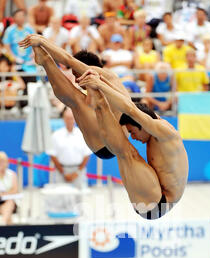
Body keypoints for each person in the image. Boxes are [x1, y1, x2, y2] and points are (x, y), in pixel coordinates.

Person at [75, 69, 188, 219]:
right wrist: (101, 82)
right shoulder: (152, 121)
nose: (133, 137)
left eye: (132, 131)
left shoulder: (164, 132)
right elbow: (128, 102)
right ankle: (100, 100)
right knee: (124, 149)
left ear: (143, 125)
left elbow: (130, 109)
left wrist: (100, 86)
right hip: (152, 194)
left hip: (158, 205)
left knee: (127, 152)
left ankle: (100, 102)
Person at [19, 33, 130, 161]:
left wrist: (42, 41)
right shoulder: (99, 84)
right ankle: (45, 60)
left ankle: (46, 60)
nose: (76, 81)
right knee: (77, 100)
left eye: (76, 75)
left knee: (76, 100)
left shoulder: (107, 76)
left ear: (85, 68)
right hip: (103, 142)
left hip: (113, 139)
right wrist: (41, 40)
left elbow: (68, 60)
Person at [50, 107, 92, 189]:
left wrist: (77, 172)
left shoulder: (82, 134)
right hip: (61, 171)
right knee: (62, 198)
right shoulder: (56, 135)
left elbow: (87, 155)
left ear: (75, 119)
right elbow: (53, 155)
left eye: (71, 118)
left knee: (79, 198)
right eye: (67, 118)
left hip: (79, 171)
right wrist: (63, 172)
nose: (69, 121)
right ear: (63, 119)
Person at [0, 151, 18, 225]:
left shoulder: (12, 174)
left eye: (3, 161)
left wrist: (3, 194)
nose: (1, 164)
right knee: (7, 213)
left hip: (8, 200)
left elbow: (15, 190)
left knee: (8, 204)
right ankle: (7, 230)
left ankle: (3, 225)